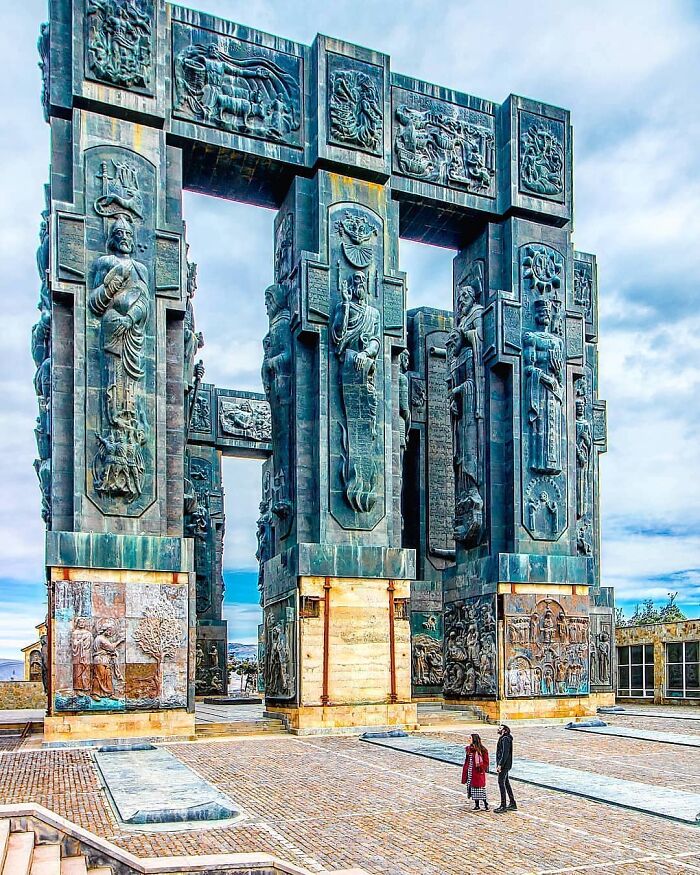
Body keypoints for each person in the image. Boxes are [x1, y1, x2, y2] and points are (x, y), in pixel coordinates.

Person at [461, 732, 490, 810]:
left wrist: (481, 768)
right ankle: (477, 805)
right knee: (472, 788)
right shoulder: (469, 749)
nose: (469, 739)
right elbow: (467, 760)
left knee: (479, 788)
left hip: (478, 772)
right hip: (470, 771)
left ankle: (485, 804)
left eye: (470, 738)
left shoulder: (482, 750)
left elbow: (486, 761)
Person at [494, 724, 517, 812]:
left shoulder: (505, 739)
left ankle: (503, 805)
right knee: (506, 783)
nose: (498, 729)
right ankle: (512, 803)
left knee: (501, 783)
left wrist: (500, 764)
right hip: (505, 764)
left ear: (504, 730)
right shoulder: (504, 738)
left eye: (500, 728)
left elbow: (505, 753)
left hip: (504, 765)